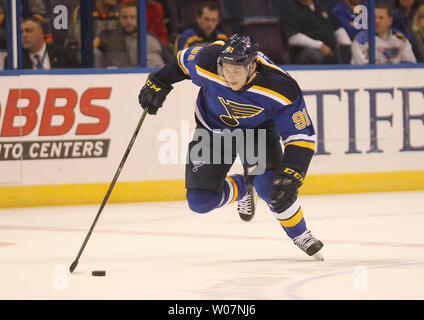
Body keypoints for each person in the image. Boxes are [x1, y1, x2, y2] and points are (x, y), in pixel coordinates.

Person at [137, 34, 324, 260]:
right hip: (212, 130)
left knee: (271, 188)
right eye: (226, 69)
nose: (230, 77)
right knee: (200, 202)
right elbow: (180, 61)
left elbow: (301, 137)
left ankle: (301, 234)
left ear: (252, 66)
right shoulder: (207, 60)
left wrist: (293, 173)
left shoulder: (280, 86)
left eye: (237, 71)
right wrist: (158, 81)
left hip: (257, 133)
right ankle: (243, 187)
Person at [280, 0, 352, 64]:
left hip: (331, 50)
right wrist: (320, 46)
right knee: (315, 55)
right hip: (304, 52)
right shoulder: (290, 10)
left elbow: (338, 29)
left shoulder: (322, 6)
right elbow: (293, 38)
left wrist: (348, 46)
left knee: (347, 52)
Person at [95, 2, 165, 68]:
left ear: (139, 18)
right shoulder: (107, 37)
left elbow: (161, 63)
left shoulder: (150, 38)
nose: (128, 21)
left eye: (132, 17)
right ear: (119, 19)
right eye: (125, 17)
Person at [351, 2, 417, 64]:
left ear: (390, 21)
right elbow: (364, 66)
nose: (376, 21)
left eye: (381, 18)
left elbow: (410, 62)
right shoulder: (361, 40)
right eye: (374, 18)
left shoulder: (401, 38)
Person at [4, 17, 78, 69]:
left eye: (28, 31)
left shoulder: (63, 53)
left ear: (40, 32)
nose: (23, 35)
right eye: (21, 32)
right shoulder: (14, 60)